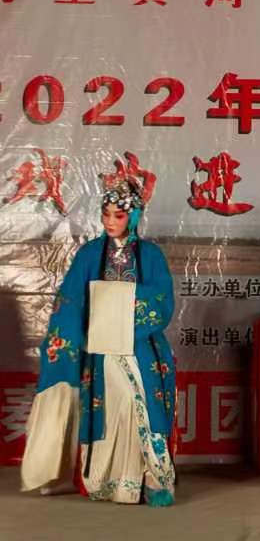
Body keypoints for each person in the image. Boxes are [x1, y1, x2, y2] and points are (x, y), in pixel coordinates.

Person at [20, 177, 176, 506]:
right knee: (108, 411)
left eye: (118, 215)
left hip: (139, 347)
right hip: (99, 349)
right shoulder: (90, 253)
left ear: (133, 217)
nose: (109, 221)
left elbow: (162, 300)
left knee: (139, 411)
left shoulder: (150, 255)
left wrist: (119, 308)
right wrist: (71, 333)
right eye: (105, 214)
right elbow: (70, 298)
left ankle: (149, 479)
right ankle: (106, 481)